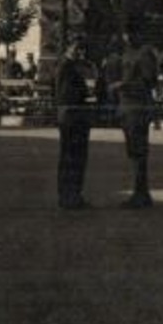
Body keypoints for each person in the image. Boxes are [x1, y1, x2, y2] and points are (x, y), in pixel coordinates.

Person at [116, 34, 159, 208]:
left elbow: (148, 82)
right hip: (129, 108)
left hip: (137, 109)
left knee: (138, 153)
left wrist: (123, 85)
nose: (126, 37)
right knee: (134, 153)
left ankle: (141, 195)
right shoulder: (132, 53)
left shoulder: (144, 54)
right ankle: (140, 193)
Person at [54, 41, 97, 209]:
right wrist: (86, 94)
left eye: (82, 49)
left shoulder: (66, 66)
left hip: (68, 116)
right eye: (77, 49)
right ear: (69, 49)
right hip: (73, 117)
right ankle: (71, 196)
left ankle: (69, 195)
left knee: (69, 157)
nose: (81, 53)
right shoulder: (68, 68)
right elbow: (67, 94)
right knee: (74, 158)